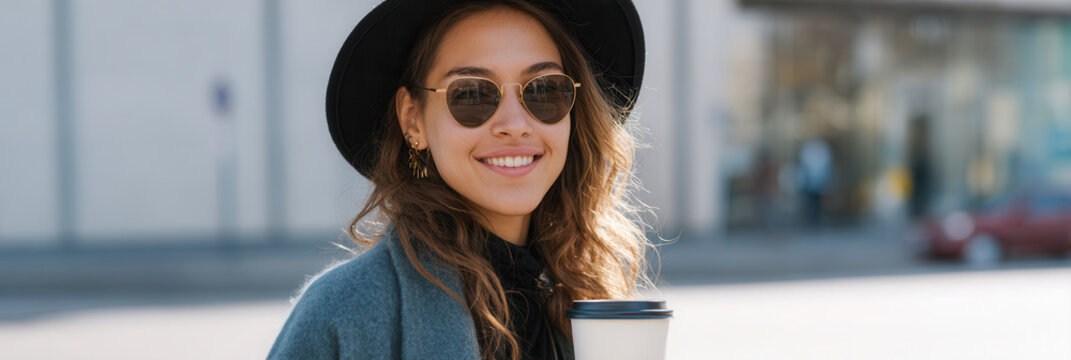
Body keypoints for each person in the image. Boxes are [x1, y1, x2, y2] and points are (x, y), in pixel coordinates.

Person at [268, 0, 653, 359]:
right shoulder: (342, 311)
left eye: (544, 90)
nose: (515, 125)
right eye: (471, 94)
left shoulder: (589, 298)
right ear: (412, 119)